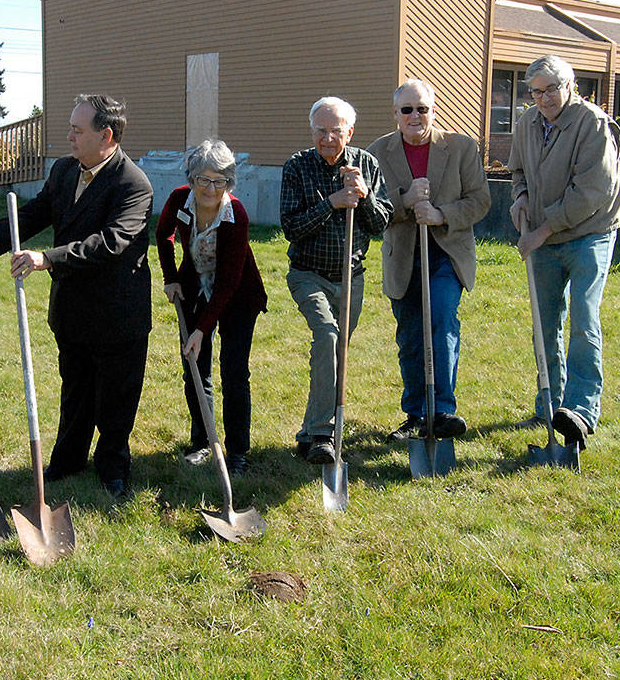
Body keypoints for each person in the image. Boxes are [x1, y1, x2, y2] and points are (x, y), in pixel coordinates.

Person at [0, 94, 153, 499]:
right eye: (70, 126)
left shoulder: (132, 184)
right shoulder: (65, 171)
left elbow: (111, 243)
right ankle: (68, 461)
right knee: (75, 388)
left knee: (116, 398)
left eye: (77, 129)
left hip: (118, 313)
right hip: (72, 310)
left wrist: (47, 259)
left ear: (106, 135)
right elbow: (36, 213)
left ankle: (112, 468)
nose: (68, 135)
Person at [508, 54, 620, 450]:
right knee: (545, 322)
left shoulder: (592, 123)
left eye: (551, 89)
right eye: (536, 92)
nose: (544, 99)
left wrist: (542, 229)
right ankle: (550, 403)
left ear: (570, 86)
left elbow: (591, 193)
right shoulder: (527, 123)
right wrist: (520, 197)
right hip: (543, 236)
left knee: (583, 319)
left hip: (589, 233)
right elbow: (518, 171)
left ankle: (581, 410)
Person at [368, 79, 490, 443]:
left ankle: (441, 411)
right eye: (407, 109)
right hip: (403, 256)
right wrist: (404, 200)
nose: (415, 116)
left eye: (422, 108)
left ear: (433, 109)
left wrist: (441, 214)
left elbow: (480, 200)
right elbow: (373, 209)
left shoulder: (461, 148)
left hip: (446, 254)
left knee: (440, 321)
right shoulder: (377, 153)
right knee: (409, 336)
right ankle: (415, 414)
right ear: (395, 114)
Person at [280, 96, 392, 464]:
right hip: (308, 274)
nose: (328, 138)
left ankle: (309, 433)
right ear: (312, 131)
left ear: (350, 132)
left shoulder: (368, 165)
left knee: (335, 352)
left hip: (351, 276)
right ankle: (324, 433)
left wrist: (364, 196)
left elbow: (380, 225)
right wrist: (332, 202)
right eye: (320, 131)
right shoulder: (297, 167)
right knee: (327, 335)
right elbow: (291, 228)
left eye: (335, 131)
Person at [155, 140, 267, 477]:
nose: (210, 188)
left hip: (238, 296)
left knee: (234, 371)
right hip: (193, 288)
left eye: (219, 180)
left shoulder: (237, 216)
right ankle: (203, 441)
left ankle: (237, 451)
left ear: (229, 182)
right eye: (203, 179)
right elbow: (162, 235)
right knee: (194, 366)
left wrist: (202, 329)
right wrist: (171, 277)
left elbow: (229, 281)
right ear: (191, 178)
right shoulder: (179, 199)